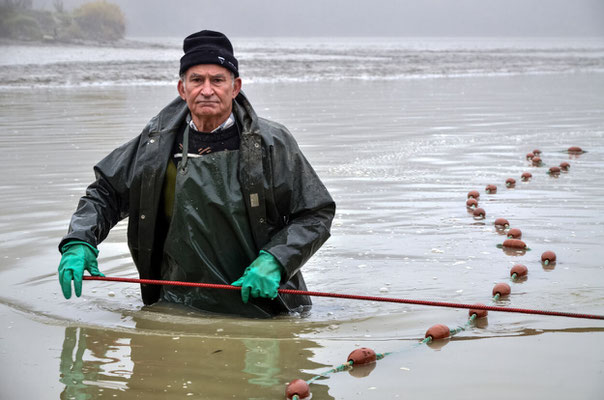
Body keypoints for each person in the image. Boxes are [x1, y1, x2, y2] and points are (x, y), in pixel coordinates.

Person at [57, 30, 335, 317]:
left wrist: (276, 261)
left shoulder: (272, 142)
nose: (206, 90)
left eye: (217, 80)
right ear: (182, 88)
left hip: (265, 309)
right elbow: (105, 194)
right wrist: (80, 241)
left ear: (235, 86)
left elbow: (316, 212)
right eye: (197, 80)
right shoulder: (154, 144)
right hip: (173, 306)